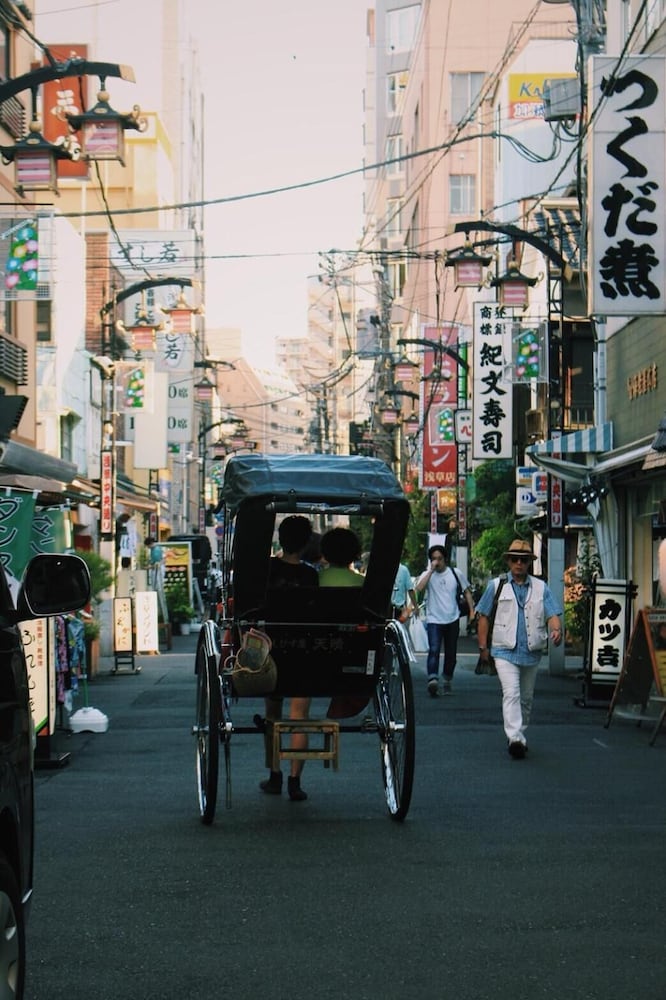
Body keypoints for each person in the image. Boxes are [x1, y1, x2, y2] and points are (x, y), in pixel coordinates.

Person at [475, 539, 563, 760]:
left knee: (526, 698)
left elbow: (553, 614)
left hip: (532, 651)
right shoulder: (496, 585)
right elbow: (483, 617)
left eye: (523, 560)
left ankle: (518, 734)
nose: (519, 564)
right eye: (514, 559)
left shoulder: (541, 587)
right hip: (503, 650)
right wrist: (483, 647)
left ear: (529, 563)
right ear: (508, 561)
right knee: (511, 692)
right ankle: (515, 738)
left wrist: (556, 630)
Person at [261, 516, 318, 802]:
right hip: (305, 653)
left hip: (272, 652)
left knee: (273, 716)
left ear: (280, 539)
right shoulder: (311, 575)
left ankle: (275, 776)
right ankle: (296, 782)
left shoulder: (267, 570)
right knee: (299, 717)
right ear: (306, 543)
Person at [414, 544, 474, 697]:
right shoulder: (427, 574)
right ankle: (432, 678)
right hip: (434, 619)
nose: (437, 561)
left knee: (451, 653)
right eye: (434, 559)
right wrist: (431, 570)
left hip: (452, 618)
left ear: (445, 559)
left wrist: (472, 611)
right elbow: (419, 588)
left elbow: (467, 592)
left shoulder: (455, 573)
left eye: (439, 558)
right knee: (433, 649)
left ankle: (447, 679)